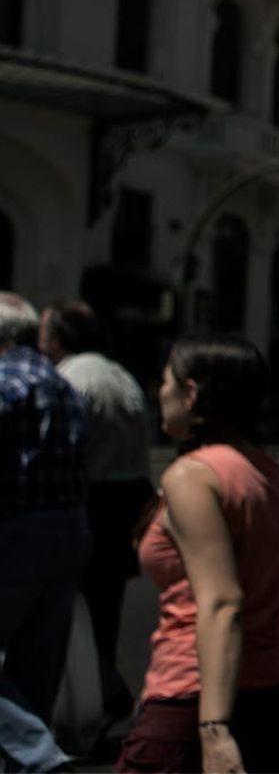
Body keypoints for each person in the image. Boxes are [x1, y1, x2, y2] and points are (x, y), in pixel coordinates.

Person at [116, 337, 279, 774]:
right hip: (277, 691)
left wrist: (214, 730)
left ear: (191, 394)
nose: (157, 392)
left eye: (165, 381)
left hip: (196, 694)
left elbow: (222, 602)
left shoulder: (193, 477)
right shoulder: (262, 469)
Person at [39, 301, 156, 723]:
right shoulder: (120, 376)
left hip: (92, 501)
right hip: (126, 503)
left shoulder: (69, 379)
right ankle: (100, 699)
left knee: (69, 612)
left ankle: (98, 698)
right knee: (104, 612)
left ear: (56, 339)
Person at [0, 291, 90, 773]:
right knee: (36, 670)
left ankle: (38, 756)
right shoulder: (60, 384)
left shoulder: (4, 382)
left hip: (14, 531)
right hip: (67, 529)